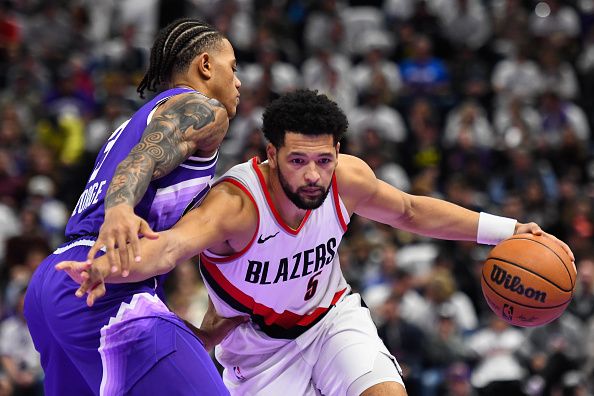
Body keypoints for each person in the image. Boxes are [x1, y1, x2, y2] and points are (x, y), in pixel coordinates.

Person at [59, 90, 574, 396]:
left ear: (338, 153)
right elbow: (170, 247)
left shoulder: (345, 179)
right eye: (298, 160)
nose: (312, 175)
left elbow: (412, 210)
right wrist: (108, 267)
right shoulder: (237, 205)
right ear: (269, 155)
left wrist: (508, 230)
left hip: (332, 320)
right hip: (257, 352)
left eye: (323, 160)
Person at [24, 18, 243, 396]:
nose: (238, 82)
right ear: (205, 65)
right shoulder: (203, 107)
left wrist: (190, 336)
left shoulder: (139, 118)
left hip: (61, 280)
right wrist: (121, 210)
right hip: (104, 282)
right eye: (233, 68)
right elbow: (142, 160)